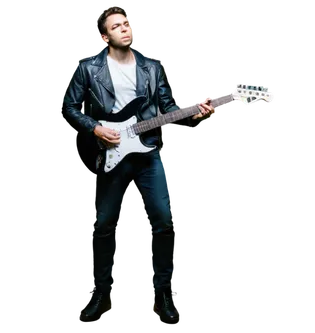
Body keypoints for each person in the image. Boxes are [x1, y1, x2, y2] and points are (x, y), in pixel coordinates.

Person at [64, 4, 216, 324]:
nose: (125, 28)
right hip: (110, 155)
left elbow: (168, 109)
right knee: (104, 225)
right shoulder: (88, 69)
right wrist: (95, 127)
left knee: (163, 219)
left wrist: (196, 113)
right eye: (116, 26)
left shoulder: (152, 68)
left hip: (147, 152)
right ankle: (103, 293)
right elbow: (70, 106)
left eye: (127, 24)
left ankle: (162, 293)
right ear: (104, 37)